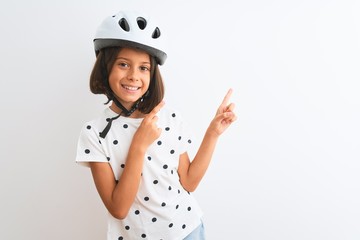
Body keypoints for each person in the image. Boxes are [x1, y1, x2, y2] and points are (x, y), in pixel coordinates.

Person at [76, 10, 237, 240]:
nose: (133, 76)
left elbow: (189, 182)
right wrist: (139, 145)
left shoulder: (168, 117)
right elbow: (118, 208)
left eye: (143, 68)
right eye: (123, 64)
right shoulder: (94, 133)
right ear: (105, 67)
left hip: (187, 231)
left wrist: (213, 133)